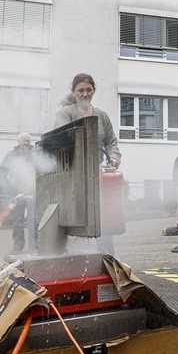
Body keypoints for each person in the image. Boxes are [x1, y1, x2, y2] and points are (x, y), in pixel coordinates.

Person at [55, 73, 122, 256]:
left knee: (103, 219)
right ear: (74, 92)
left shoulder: (102, 115)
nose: (85, 93)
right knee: (73, 219)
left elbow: (111, 142)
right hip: (72, 177)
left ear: (93, 91)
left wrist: (113, 158)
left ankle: (109, 259)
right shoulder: (65, 114)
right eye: (80, 90)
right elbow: (59, 139)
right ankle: (71, 259)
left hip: (97, 176)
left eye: (88, 90)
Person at [0, 132, 35, 254]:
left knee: (34, 219)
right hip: (16, 193)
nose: (26, 143)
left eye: (28, 140)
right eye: (24, 140)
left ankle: (34, 244)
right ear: (18, 141)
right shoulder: (11, 155)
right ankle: (18, 244)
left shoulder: (36, 154)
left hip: (33, 192)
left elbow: (43, 169)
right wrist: (8, 188)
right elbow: (2, 171)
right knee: (17, 220)